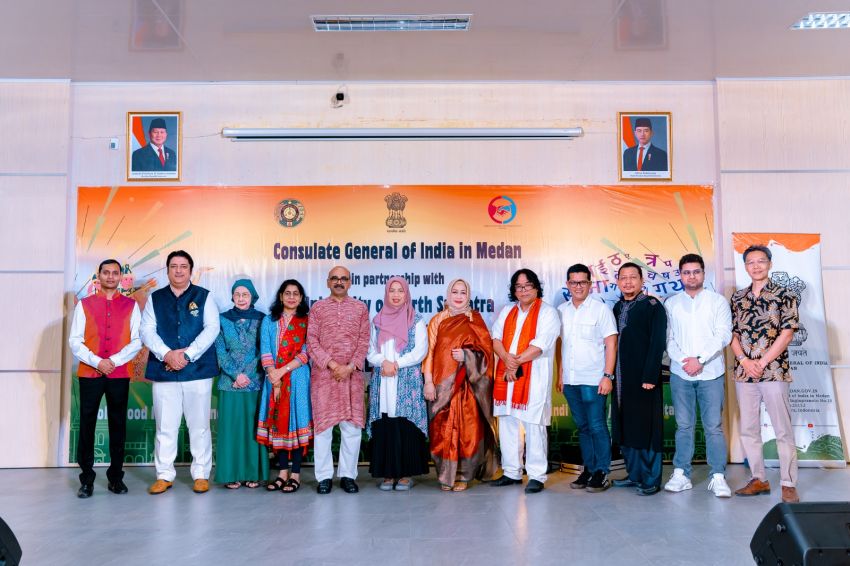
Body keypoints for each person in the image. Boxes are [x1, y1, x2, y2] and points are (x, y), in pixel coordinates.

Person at [140, 250, 220, 495]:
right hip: (164, 371)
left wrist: (186, 355)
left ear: (190, 270)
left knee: (199, 426)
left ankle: (201, 474)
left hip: (198, 371)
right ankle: (164, 475)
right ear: (167, 270)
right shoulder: (156, 298)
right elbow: (147, 331)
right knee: (166, 426)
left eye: (183, 266)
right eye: (173, 266)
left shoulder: (204, 297)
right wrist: (167, 354)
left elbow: (212, 328)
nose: (178, 270)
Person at [730, 245, 800, 503]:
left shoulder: (785, 294)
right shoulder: (738, 298)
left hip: (774, 372)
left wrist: (762, 361)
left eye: (761, 261)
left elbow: (788, 332)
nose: (756, 266)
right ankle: (758, 478)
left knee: (783, 430)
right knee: (749, 429)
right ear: (745, 266)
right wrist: (745, 360)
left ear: (770, 264)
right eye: (751, 262)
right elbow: (732, 334)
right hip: (743, 372)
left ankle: (788, 483)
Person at [68, 259, 142, 498]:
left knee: (118, 425)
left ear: (120, 277)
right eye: (106, 272)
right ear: (98, 276)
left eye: (115, 273)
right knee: (87, 425)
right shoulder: (85, 305)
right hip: (90, 373)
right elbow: (75, 341)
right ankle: (87, 480)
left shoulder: (131, 306)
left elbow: (137, 340)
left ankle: (115, 478)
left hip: (119, 373)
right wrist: (97, 361)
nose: (110, 276)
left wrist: (114, 362)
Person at [663, 254, 733, 497]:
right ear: (680, 275)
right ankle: (681, 473)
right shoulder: (671, 304)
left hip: (711, 373)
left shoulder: (718, 302)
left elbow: (723, 335)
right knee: (684, 425)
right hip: (681, 373)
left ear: (704, 274)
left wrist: (700, 360)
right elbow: (669, 339)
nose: (691, 276)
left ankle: (718, 475)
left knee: (713, 426)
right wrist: (685, 362)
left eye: (696, 271)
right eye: (686, 272)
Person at [423, 278, 498, 492]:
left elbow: (487, 353)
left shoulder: (475, 319)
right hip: (441, 387)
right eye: (454, 292)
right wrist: (428, 382)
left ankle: (464, 476)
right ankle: (446, 475)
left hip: (469, 388)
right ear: (448, 295)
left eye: (462, 292)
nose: (458, 296)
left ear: (468, 295)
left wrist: (466, 355)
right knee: (442, 431)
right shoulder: (438, 320)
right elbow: (428, 353)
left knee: (468, 431)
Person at [491, 269, 560, 494]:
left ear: (536, 287)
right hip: (506, 375)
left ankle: (537, 475)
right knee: (508, 422)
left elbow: (541, 344)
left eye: (528, 285)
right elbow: (496, 338)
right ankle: (512, 472)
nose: (523, 290)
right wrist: (507, 360)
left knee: (533, 425)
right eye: (519, 287)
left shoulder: (548, 313)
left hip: (534, 378)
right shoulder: (508, 311)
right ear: (514, 290)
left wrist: (514, 363)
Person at [307, 266, 370, 494]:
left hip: (351, 377)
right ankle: (324, 477)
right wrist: (333, 365)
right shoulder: (318, 308)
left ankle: (347, 475)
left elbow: (364, 341)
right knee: (323, 428)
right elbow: (311, 341)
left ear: (350, 282)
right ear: (327, 282)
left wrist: (350, 366)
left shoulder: (360, 308)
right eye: (335, 278)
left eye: (344, 278)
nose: (339, 282)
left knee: (351, 428)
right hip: (324, 376)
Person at [558, 264, 618, 493]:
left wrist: (607, 376)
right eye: (573, 282)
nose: (578, 286)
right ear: (568, 285)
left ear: (590, 284)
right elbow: (563, 346)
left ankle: (602, 471)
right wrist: (561, 374)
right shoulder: (561, 310)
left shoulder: (600, 309)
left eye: (582, 282)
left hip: (594, 379)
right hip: (570, 380)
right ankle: (589, 469)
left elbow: (611, 343)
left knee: (596, 425)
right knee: (582, 427)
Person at [366, 277, 429, 490]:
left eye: (400, 291)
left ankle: (405, 474)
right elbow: (369, 350)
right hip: (383, 378)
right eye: (391, 290)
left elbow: (420, 351)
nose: (395, 295)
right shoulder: (377, 321)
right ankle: (387, 474)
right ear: (386, 293)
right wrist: (382, 362)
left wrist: (396, 364)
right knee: (385, 422)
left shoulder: (417, 320)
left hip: (406, 379)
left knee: (405, 424)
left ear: (406, 294)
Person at [610, 262, 667, 496]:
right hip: (621, 380)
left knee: (648, 428)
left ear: (642, 281)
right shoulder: (615, 308)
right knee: (627, 427)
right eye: (623, 278)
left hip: (645, 377)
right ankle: (635, 474)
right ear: (618, 282)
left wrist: (650, 374)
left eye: (633, 277)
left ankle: (651, 478)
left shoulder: (653, 306)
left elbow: (658, 342)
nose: (628, 282)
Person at [257, 279, 313, 494]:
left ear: (301, 298)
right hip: (274, 380)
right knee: (279, 423)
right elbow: (265, 350)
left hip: (298, 378)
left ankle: (296, 474)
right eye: (287, 293)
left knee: (296, 423)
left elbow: (307, 351)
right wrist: (273, 373)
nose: (291, 297)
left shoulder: (307, 321)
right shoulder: (269, 321)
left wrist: (283, 370)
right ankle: (282, 473)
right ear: (280, 296)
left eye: (296, 293)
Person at [213, 278, 268, 490]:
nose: (241, 298)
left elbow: (263, 351)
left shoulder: (263, 320)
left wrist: (247, 376)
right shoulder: (222, 319)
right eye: (237, 294)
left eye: (245, 295)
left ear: (252, 296)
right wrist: (236, 375)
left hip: (255, 382)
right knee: (231, 429)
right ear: (232, 297)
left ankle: (253, 473)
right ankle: (231, 474)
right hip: (230, 384)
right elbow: (220, 351)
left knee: (253, 429)